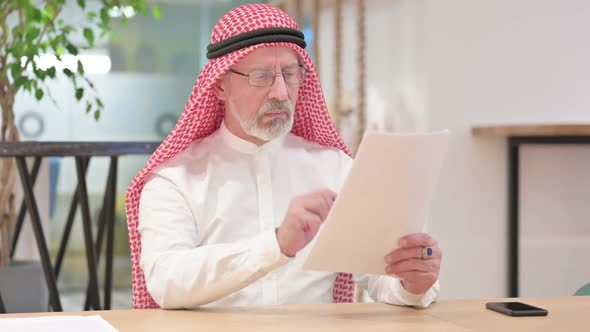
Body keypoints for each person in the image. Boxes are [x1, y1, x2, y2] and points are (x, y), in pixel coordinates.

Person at [125, 4, 442, 310]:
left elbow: (378, 274)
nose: (280, 92)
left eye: (290, 73)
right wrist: (276, 245)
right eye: (261, 76)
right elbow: (166, 281)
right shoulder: (175, 178)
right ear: (220, 85)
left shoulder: (334, 167)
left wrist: (411, 282)